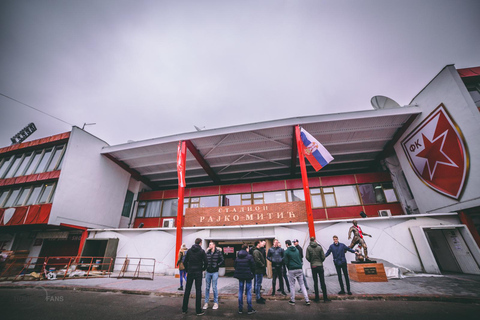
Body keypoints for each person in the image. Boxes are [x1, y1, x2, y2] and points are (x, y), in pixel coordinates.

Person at [182, 238, 208, 316]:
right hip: (198, 272)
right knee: (198, 290)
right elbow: (206, 262)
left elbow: (185, 261)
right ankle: (198, 310)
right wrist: (203, 268)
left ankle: (184, 309)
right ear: (200, 243)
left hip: (190, 272)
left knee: (187, 290)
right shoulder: (202, 251)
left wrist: (187, 269)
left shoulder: (189, 251)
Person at [284, 240, 310, 306]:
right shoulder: (296, 250)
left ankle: (292, 300)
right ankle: (307, 300)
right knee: (302, 284)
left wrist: (288, 267)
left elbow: (285, 262)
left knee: (292, 285)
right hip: (299, 268)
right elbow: (300, 257)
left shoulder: (286, 251)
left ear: (287, 244)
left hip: (291, 269)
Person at [306, 237, 330, 303]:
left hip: (313, 266)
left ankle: (317, 298)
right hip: (320, 266)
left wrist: (312, 261)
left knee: (315, 282)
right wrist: (320, 261)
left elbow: (307, 257)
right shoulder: (319, 247)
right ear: (315, 240)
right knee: (322, 281)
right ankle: (325, 298)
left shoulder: (308, 248)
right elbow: (323, 257)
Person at [234, 244, 256, 315]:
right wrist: (252, 272)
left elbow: (235, 265)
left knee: (240, 291)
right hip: (248, 275)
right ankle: (249, 309)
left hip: (240, 276)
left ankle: (240, 309)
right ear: (247, 248)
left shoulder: (238, 256)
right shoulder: (249, 256)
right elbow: (253, 266)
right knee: (248, 292)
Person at [203, 241, 224, 310]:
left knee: (214, 288)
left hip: (215, 272)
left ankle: (216, 303)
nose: (209, 245)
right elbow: (204, 260)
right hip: (208, 272)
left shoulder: (218, 252)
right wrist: (206, 267)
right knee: (207, 288)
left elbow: (222, 260)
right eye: (209, 244)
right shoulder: (207, 252)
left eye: (210, 244)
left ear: (214, 245)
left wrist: (217, 265)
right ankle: (206, 302)